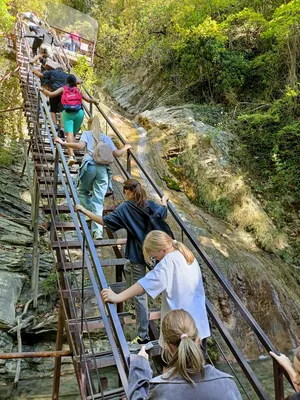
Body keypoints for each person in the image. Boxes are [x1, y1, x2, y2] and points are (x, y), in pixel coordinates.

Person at [75, 179, 169, 344]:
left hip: (139, 255)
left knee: (140, 294)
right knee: (127, 268)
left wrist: (83, 210)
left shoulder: (126, 208)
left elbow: (105, 222)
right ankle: (133, 302)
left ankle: (143, 336)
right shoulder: (149, 204)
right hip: (154, 252)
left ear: (128, 191)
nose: (124, 194)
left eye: (125, 191)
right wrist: (164, 202)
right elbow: (163, 213)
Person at [100, 229, 210, 347]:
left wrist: (117, 297)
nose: (156, 260)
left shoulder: (168, 262)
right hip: (198, 328)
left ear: (163, 250)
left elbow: (143, 285)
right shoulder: (186, 255)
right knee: (197, 364)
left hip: (179, 332)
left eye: (155, 256)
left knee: (176, 365)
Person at [128, 309, 242, 400]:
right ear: (198, 340)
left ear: (167, 346)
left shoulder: (160, 390)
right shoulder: (227, 383)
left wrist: (140, 369)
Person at [56, 116, 131, 237]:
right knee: (98, 200)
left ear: (90, 124)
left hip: (89, 166)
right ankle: (97, 232)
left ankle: (91, 212)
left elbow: (80, 146)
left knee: (82, 191)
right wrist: (126, 147)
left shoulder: (87, 133)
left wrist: (64, 143)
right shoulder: (106, 138)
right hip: (103, 170)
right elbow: (117, 154)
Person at [40, 74, 98, 166]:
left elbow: (51, 94)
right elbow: (88, 100)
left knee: (69, 134)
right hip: (79, 113)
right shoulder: (79, 90)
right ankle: (72, 149)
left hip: (67, 113)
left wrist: (42, 89)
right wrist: (95, 101)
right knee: (73, 134)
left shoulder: (63, 89)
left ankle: (71, 155)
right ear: (75, 82)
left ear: (66, 82)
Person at [33, 64, 69, 138]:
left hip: (54, 92)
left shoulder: (52, 72)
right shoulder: (67, 75)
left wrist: (33, 70)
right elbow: (77, 81)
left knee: (53, 110)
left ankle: (55, 126)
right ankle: (62, 128)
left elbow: (41, 75)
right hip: (64, 93)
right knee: (62, 111)